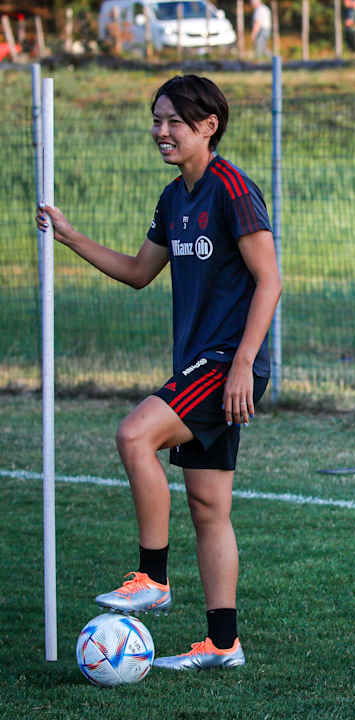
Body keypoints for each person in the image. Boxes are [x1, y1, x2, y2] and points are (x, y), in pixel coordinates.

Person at [37, 75, 281, 671]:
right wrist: (70, 237)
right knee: (207, 506)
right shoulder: (174, 199)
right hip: (201, 364)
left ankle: (152, 577)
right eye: (156, 120)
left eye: (174, 121)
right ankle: (222, 644)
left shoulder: (232, 189)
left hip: (226, 364)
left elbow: (269, 279)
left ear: (209, 126)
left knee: (133, 434)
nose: (161, 132)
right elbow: (138, 272)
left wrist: (243, 364)